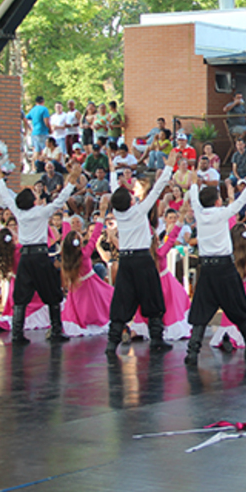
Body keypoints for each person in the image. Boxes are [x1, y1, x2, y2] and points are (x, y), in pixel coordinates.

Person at [183, 160, 246, 365]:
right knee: (238, 306)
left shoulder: (198, 210)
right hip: (224, 267)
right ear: (217, 202)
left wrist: (195, 182)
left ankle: (193, 351)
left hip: (207, 267)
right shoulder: (222, 214)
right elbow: (244, 198)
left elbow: (194, 194)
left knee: (201, 309)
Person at [103, 151, 178, 357]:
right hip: (143, 260)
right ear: (129, 201)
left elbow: (113, 191)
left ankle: (112, 342)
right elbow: (157, 189)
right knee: (152, 298)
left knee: (122, 300)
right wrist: (170, 167)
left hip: (126, 260)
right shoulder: (138, 210)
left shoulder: (118, 212)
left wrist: (112, 172)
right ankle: (157, 340)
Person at [0, 164, 81, 344]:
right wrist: (71, 182)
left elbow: (5, 196)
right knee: (51, 292)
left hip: (26, 257)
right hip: (40, 256)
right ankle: (56, 330)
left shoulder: (19, 213)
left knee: (21, 295)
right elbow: (59, 201)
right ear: (34, 201)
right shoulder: (42, 212)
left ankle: (17, 333)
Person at [132, 202, 192, 342]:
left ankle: (140, 330)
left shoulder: (143, 255)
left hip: (149, 283)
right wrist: (181, 217)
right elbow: (172, 238)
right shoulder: (160, 252)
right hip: (166, 284)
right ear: (156, 239)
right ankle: (168, 327)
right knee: (173, 303)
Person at [60, 203, 113, 337]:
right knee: (105, 298)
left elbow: (65, 235)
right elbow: (95, 236)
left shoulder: (66, 256)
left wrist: (66, 215)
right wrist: (101, 214)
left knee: (80, 306)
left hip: (76, 286)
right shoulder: (84, 254)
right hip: (90, 285)